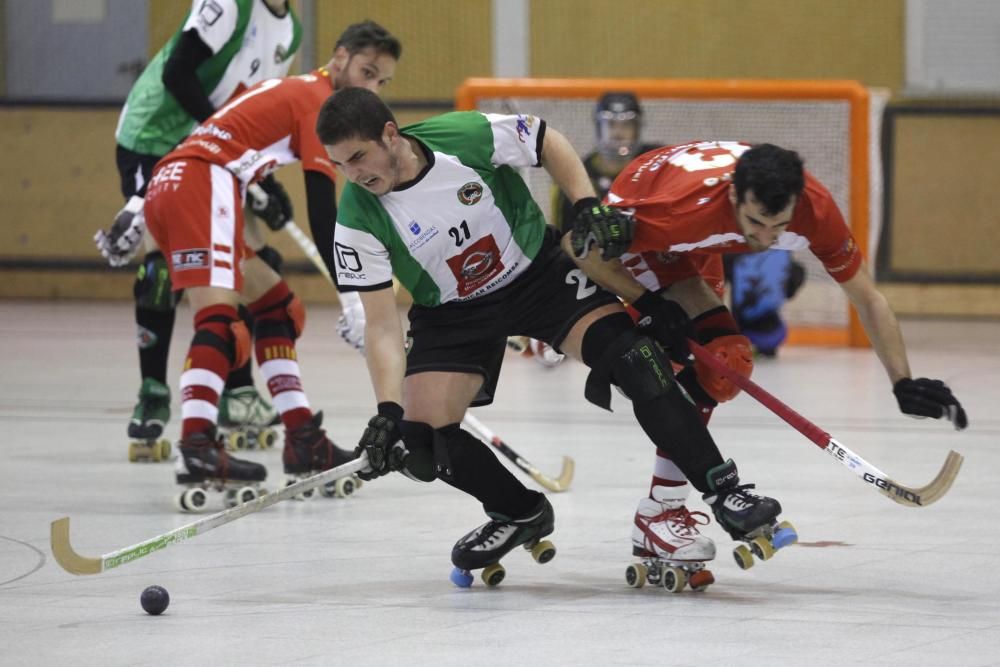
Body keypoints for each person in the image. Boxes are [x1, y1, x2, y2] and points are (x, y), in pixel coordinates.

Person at [317, 88, 789, 587]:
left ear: (390, 135)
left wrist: (585, 204)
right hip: (453, 312)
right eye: (339, 165)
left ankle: (723, 490)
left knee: (637, 358)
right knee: (421, 442)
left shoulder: (463, 135)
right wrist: (389, 412)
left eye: (358, 157)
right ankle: (518, 511)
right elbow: (384, 325)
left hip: (537, 275)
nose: (353, 175)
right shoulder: (356, 217)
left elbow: (547, 141)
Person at [565, 139, 968, 559]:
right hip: (656, 217)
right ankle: (661, 508)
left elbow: (868, 298)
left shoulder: (815, 208)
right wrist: (647, 304)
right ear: (735, 195)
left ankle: (660, 511)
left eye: (779, 226)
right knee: (692, 359)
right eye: (756, 223)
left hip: (701, 237)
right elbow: (581, 248)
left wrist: (901, 379)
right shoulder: (674, 212)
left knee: (723, 364)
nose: (766, 238)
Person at [132, 22, 401, 509]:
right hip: (202, 182)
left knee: (279, 307)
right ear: (338, 59)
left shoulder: (296, 89)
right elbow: (326, 216)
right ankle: (195, 443)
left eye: (381, 82)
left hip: (177, 180)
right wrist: (354, 300)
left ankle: (303, 440)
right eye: (366, 72)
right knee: (218, 320)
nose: (370, 88)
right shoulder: (321, 103)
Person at [96, 0, 305, 453]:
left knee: (255, 261)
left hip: (216, 151)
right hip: (157, 137)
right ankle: (152, 394)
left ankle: (237, 389)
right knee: (162, 271)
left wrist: (263, 179)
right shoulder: (231, 4)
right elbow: (178, 73)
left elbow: (252, 111)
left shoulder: (291, 30)